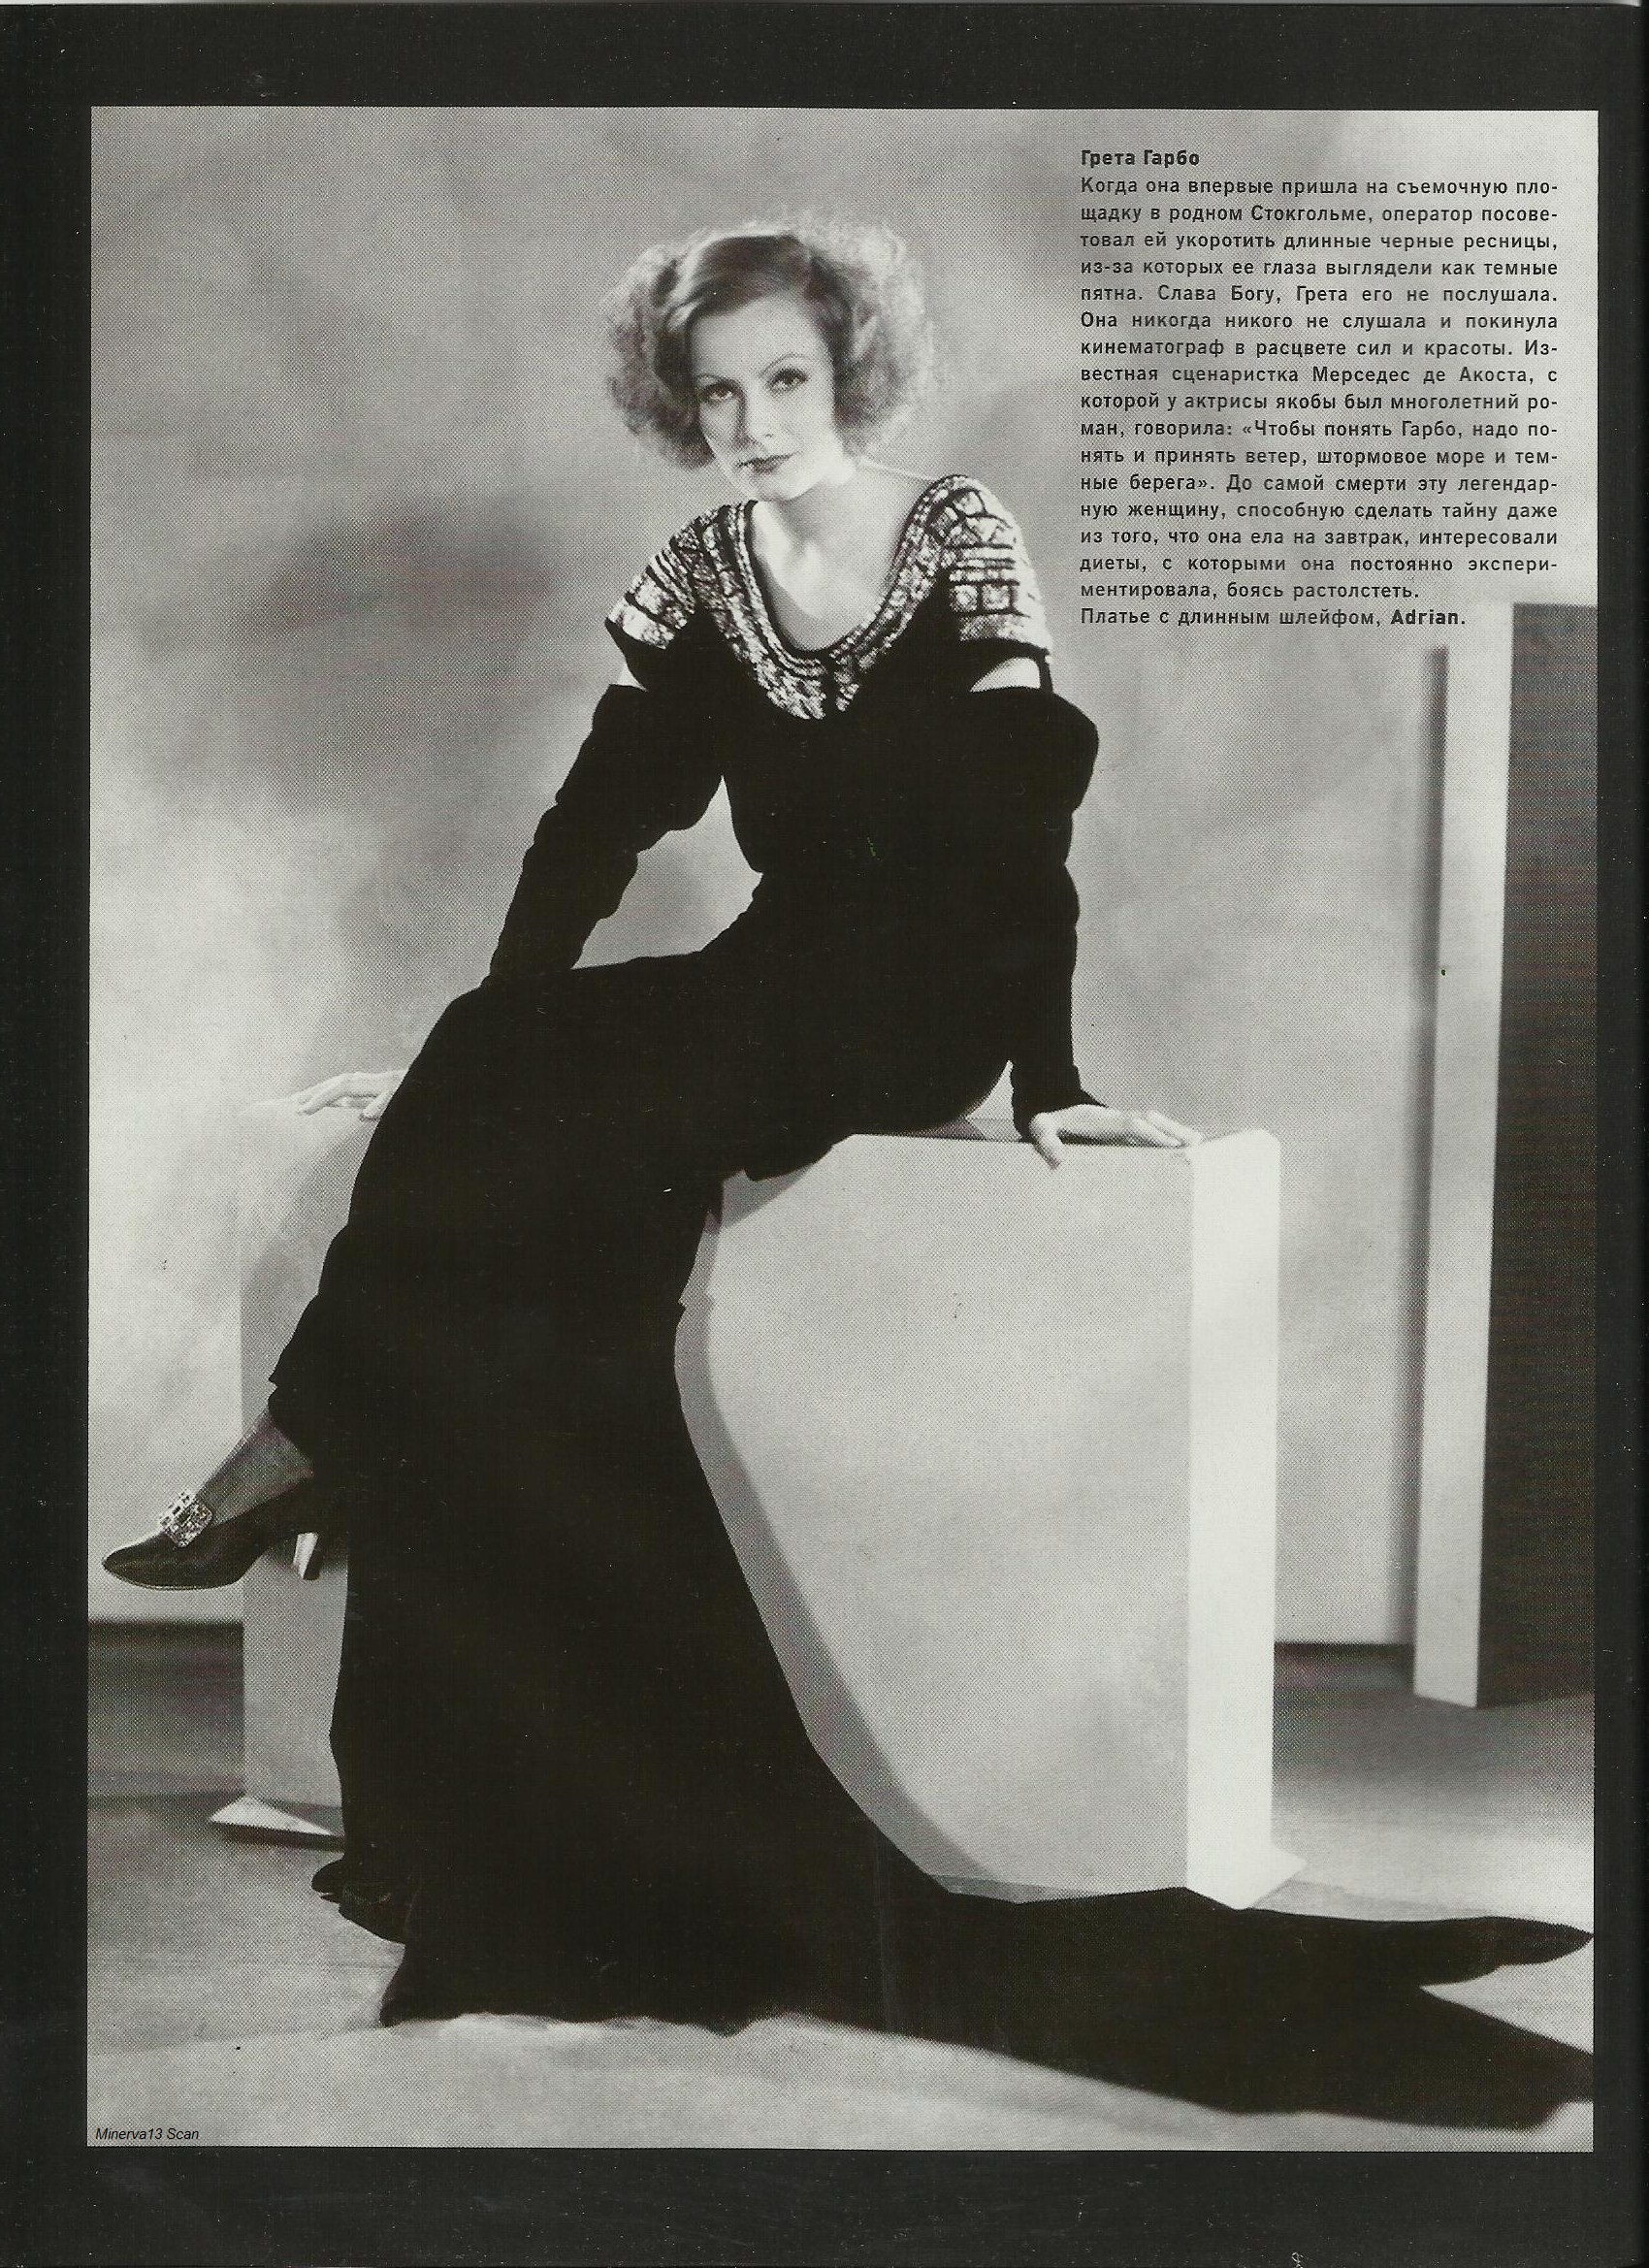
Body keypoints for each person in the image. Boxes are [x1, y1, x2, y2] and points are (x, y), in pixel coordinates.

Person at [105, 222, 1583, 2063]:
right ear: (680, 404)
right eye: (715, 392)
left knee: (532, 1081)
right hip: (775, 967)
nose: (751, 422)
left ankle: (306, 1438)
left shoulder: (958, 535)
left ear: (849, 373)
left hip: (923, 995)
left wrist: (1047, 1077)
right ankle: (319, 1435)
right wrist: (483, 1037)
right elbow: (598, 824)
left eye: (784, 380)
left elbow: (1024, 830)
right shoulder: (698, 574)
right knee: (496, 1046)